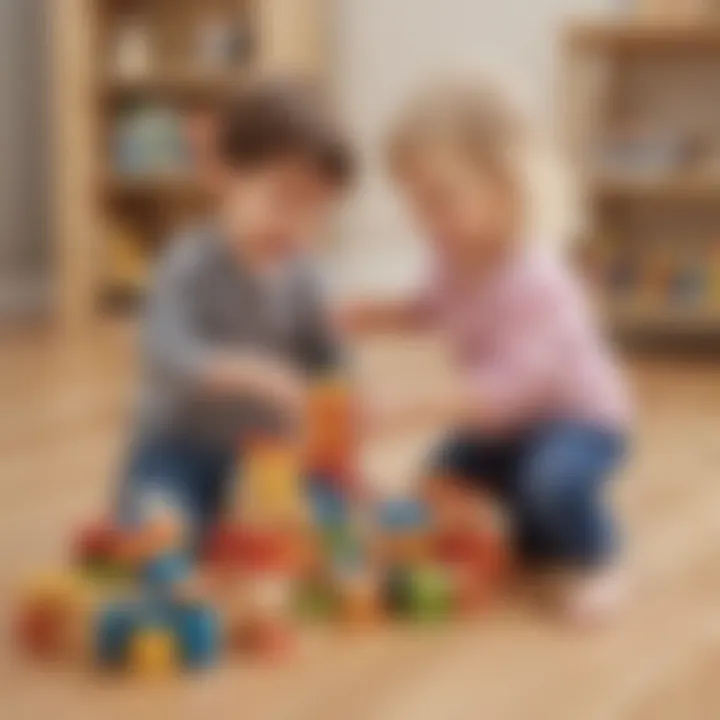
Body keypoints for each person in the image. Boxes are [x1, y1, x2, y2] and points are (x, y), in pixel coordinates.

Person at [344, 78, 631, 624]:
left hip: (575, 421)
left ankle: (600, 562)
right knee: (438, 484)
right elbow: (431, 308)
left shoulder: (539, 280)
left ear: (506, 185)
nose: (424, 220)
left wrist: (405, 410)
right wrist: (374, 313)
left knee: (552, 482)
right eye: (414, 202)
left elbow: (507, 387)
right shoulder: (450, 256)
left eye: (440, 200)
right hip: (501, 427)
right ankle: (523, 532)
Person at [117, 79, 354, 540]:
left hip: (268, 454)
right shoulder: (187, 264)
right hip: (179, 446)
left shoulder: (304, 276)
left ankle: (248, 522)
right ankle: (171, 518)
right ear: (225, 175)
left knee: (324, 512)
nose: (296, 224)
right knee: (156, 518)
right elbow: (165, 351)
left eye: (316, 211)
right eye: (283, 198)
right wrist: (251, 373)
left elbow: (328, 356)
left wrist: (344, 393)